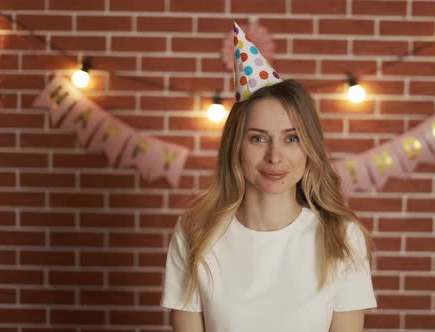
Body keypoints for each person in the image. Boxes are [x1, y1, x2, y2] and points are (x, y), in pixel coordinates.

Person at [161, 22, 377, 332]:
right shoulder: (196, 232)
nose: (275, 157)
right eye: (258, 138)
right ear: (236, 146)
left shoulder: (342, 237)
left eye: (291, 139)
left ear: (309, 148)